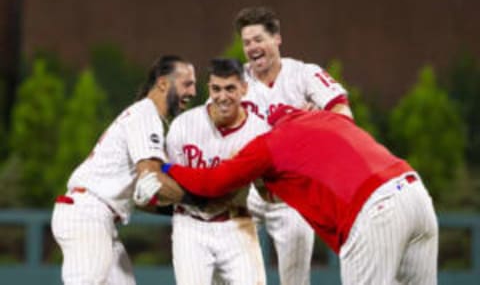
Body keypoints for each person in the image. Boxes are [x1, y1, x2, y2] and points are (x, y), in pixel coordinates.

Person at [136, 105, 439, 285]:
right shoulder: (325, 118)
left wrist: (165, 165)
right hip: (413, 192)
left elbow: (214, 183)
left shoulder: (268, 142)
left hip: (375, 212)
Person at [51, 55, 196, 285]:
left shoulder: (146, 116)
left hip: (97, 215)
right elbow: (152, 176)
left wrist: (174, 204)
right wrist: (196, 201)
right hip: (88, 214)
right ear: (163, 83)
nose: (193, 92)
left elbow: (145, 195)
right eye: (187, 83)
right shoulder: (145, 113)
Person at [235, 6, 353, 285]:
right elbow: (212, 127)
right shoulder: (235, 81)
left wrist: (314, 120)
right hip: (249, 189)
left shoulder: (304, 74)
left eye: (258, 39)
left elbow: (344, 116)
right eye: (247, 42)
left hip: (293, 194)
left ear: (277, 38)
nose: (252, 47)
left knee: (295, 281)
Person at [165, 58, 268, 285]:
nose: (222, 96)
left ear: (244, 88)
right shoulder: (184, 125)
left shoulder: (260, 131)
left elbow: (267, 189)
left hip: (237, 224)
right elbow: (168, 179)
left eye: (230, 88)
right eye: (216, 89)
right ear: (209, 88)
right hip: (190, 225)